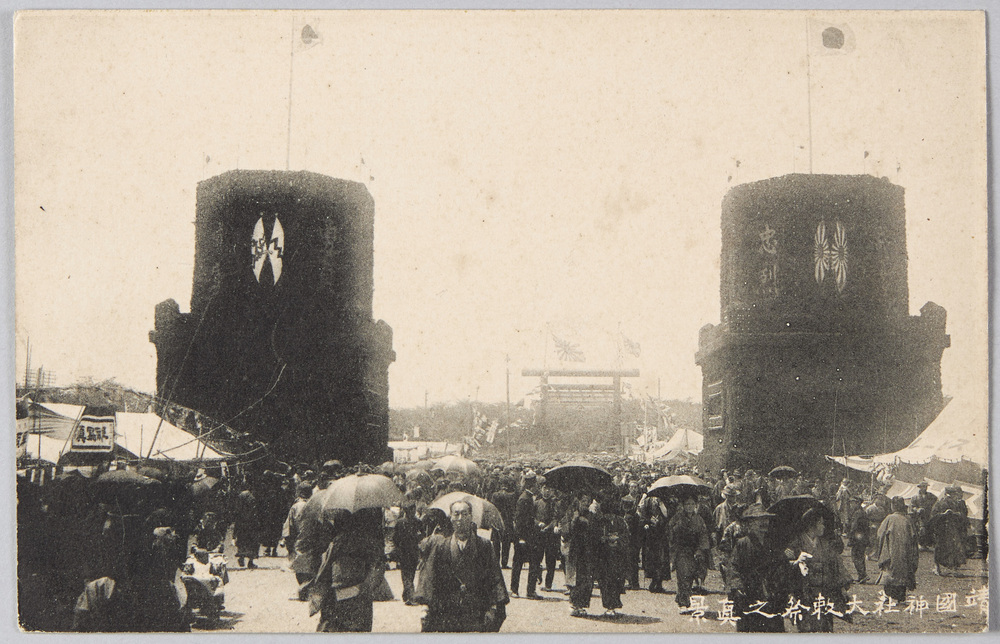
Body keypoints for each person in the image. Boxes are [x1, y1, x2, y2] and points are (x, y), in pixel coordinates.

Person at [415, 499, 509, 632]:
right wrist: (425, 607)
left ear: (471, 517)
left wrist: (493, 607)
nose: (460, 518)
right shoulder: (441, 547)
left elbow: (494, 578)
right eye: (456, 514)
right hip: (448, 611)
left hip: (476, 610)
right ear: (451, 518)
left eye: (465, 514)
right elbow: (430, 577)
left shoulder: (484, 546)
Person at [308, 507, 386, 632]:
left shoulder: (338, 541)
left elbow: (324, 571)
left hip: (338, 591)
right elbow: (377, 567)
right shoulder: (368, 542)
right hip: (361, 593)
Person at [783, 508, 852, 632]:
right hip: (804, 594)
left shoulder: (826, 544)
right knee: (807, 630)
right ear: (811, 525)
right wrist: (796, 562)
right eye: (820, 523)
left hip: (824, 593)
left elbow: (836, 566)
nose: (823, 526)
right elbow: (785, 568)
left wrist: (842, 588)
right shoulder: (795, 544)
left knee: (825, 628)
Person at [728, 504, 784, 632]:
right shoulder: (742, 544)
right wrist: (737, 587)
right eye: (759, 520)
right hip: (749, 593)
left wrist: (778, 585)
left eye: (766, 519)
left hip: (770, 595)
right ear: (750, 523)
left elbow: (780, 567)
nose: (764, 523)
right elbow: (733, 567)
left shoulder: (773, 544)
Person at [669, 496, 711, 613]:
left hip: (695, 551)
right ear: (683, 506)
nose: (690, 507)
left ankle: (686, 600)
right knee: (683, 576)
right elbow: (670, 533)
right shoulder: (677, 518)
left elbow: (703, 535)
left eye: (692, 504)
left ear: (695, 505)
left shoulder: (699, 519)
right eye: (687, 504)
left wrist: (700, 550)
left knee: (692, 576)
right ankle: (683, 603)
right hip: (681, 550)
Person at [875, 497, 918, 602]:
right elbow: (914, 538)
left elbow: (880, 534)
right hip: (905, 552)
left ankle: (889, 596)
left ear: (893, 506)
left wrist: (880, 548)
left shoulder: (889, 519)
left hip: (891, 550)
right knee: (903, 572)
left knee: (890, 572)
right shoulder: (908, 520)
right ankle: (900, 596)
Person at [510, 471, 543, 599]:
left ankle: (528, 591)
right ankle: (516, 590)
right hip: (524, 538)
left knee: (532, 563)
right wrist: (520, 538)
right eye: (536, 485)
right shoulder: (524, 499)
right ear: (532, 485)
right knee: (518, 563)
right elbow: (519, 521)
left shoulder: (528, 498)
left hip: (529, 537)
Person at [282, 481, 314, 599]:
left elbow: (289, 527)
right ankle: (308, 589)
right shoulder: (315, 503)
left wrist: (288, 544)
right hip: (312, 539)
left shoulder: (295, 507)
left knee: (299, 566)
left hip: (299, 540)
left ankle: (303, 589)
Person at [930, 484, 969, 576]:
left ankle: (954, 568)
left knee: (954, 547)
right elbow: (933, 515)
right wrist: (943, 514)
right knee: (939, 547)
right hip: (942, 528)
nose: (953, 496)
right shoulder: (940, 503)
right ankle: (937, 568)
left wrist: (956, 514)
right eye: (951, 494)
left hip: (953, 528)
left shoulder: (957, 503)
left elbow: (963, 515)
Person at [638, 491, 672, 593]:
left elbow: (668, 515)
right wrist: (647, 522)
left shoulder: (666, 501)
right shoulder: (648, 501)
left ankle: (659, 582)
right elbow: (642, 515)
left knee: (662, 558)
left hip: (662, 533)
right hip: (651, 534)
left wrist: (661, 504)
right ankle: (653, 581)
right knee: (652, 558)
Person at [394, 501, 423, 605]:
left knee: (409, 574)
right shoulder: (402, 522)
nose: (414, 511)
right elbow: (395, 538)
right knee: (407, 574)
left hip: (410, 551)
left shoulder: (416, 522)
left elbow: (422, 535)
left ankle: (406, 594)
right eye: (412, 509)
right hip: (406, 552)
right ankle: (410, 596)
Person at [846, 496, 870, 583]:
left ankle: (862, 575)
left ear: (857, 503)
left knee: (855, 556)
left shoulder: (857, 513)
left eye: (853, 503)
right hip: (862, 538)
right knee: (860, 556)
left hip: (857, 538)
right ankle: (862, 575)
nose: (851, 504)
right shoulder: (862, 512)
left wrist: (850, 537)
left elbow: (854, 527)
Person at [910, 482, 938, 549]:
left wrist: (933, 508)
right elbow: (912, 507)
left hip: (928, 515)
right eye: (923, 487)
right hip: (919, 516)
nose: (924, 488)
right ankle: (921, 544)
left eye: (925, 487)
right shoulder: (915, 497)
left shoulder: (930, 496)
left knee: (929, 529)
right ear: (920, 487)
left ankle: (927, 544)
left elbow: (936, 501)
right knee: (921, 530)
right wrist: (917, 509)